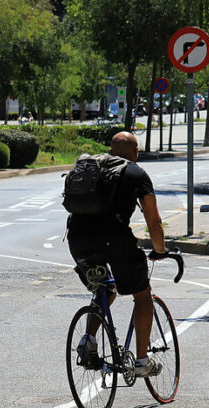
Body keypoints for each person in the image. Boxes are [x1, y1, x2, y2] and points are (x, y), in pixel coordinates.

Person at [67, 131, 167, 377]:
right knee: (142, 295)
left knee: (104, 289)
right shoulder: (136, 173)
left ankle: (89, 339)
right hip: (114, 240)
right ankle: (143, 361)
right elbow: (153, 222)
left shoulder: (92, 167)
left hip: (77, 239)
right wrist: (160, 250)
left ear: (110, 151)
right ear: (136, 153)